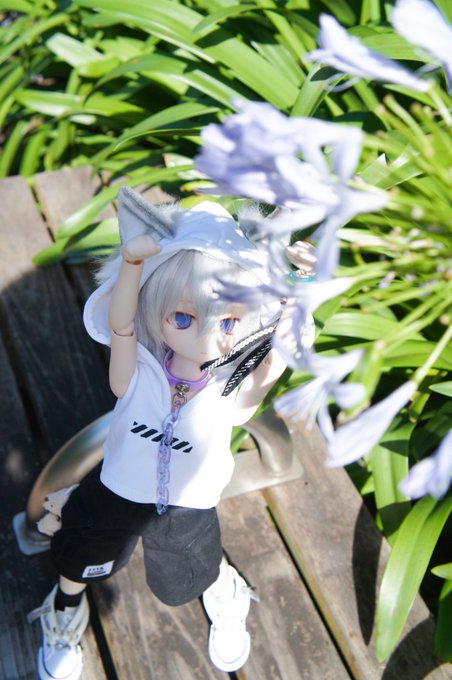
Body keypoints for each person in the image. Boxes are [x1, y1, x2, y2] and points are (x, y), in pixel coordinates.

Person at [28, 188, 315, 680]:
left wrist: (297, 287)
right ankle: (65, 603)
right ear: (155, 310)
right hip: (117, 487)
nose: (206, 335)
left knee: (189, 564)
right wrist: (131, 266)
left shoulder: (228, 382)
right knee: (82, 549)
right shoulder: (138, 370)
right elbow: (121, 326)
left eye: (228, 321)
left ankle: (218, 584)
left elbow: (266, 372)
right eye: (183, 317)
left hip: (190, 501)